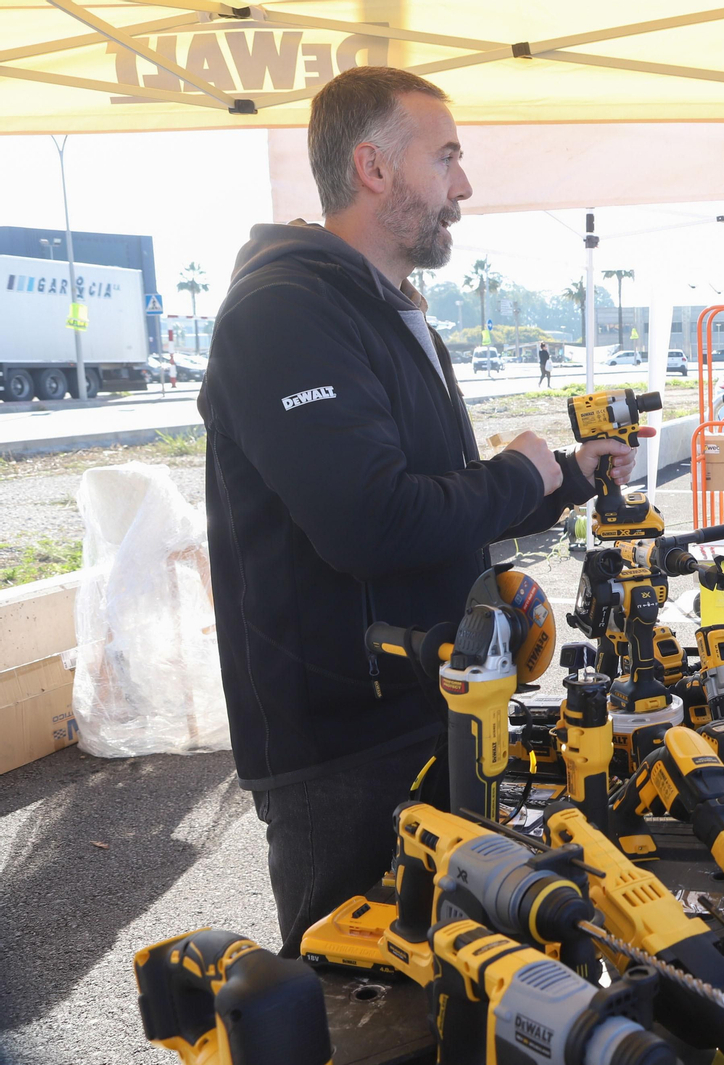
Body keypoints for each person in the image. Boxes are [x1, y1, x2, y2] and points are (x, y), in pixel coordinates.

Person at [197, 66, 645, 957]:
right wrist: (517, 477)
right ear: (373, 167)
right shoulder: (284, 313)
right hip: (341, 747)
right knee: (364, 1004)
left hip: (426, 705)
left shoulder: (392, 312)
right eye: (447, 158)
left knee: (456, 984)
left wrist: (564, 475)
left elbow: (432, 497)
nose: (464, 186)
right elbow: (370, 521)